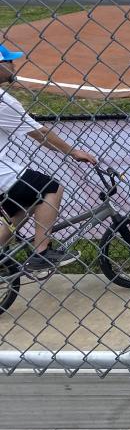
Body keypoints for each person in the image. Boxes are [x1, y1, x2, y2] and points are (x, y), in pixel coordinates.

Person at [0, 45, 97, 272]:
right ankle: (41, 253)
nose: (14, 65)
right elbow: (40, 134)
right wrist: (73, 152)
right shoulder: (3, 102)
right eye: (9, 61)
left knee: (21, 206)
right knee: (50, 187)